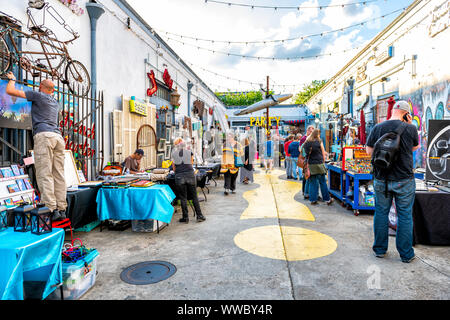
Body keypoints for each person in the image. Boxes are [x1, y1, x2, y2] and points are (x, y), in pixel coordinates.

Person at [5, 71, 67, 221]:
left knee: (44, 172)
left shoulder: (38, 95)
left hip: (44, 135)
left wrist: (12, 79)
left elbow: (10, 91)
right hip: (58, 137)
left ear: (40, 87)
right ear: (53, 90)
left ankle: (50, 208)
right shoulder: (54, 101)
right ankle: (62, 208)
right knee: (58, 174)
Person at [366, 100, 420, 263]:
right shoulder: (411, 128)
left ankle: (380, 250)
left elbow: (369, 151)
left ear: (393, 110)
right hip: (404, 179)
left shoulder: (377, 128)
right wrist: (410, 124)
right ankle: (406, 254)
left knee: (381, 213)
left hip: (382, 178)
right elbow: (414, 148)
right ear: (406, 113)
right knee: (404, 215)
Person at [172, 138, 206, 223]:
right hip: (190, 175)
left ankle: (185, 218)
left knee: (183, 198)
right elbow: (191, 164)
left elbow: (174, 168)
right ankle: (199, 215)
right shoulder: (189, 152)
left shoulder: (174, 154)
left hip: (180, 177)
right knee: (194, 196)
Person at [302, 129, 333, 205]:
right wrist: (323, 161)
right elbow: (323, 153)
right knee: (322, 182)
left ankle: (313, 200)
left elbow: (304, 153)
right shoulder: (319, 141)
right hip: (319, 164)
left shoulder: (306, 143)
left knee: (313, 183)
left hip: (311, 165)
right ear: (318, 134)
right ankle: (327, 199)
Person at [300, 125, 315, 197]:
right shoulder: (304, 138)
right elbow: (300, 149)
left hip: (310, 159)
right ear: (308, 131)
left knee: (308, 176)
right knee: (305, 176)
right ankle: (304, 191)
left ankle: (307, 191)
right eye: (311, 131)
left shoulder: (312, 138)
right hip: (306, 159)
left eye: (313, 131)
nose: (312, 132)